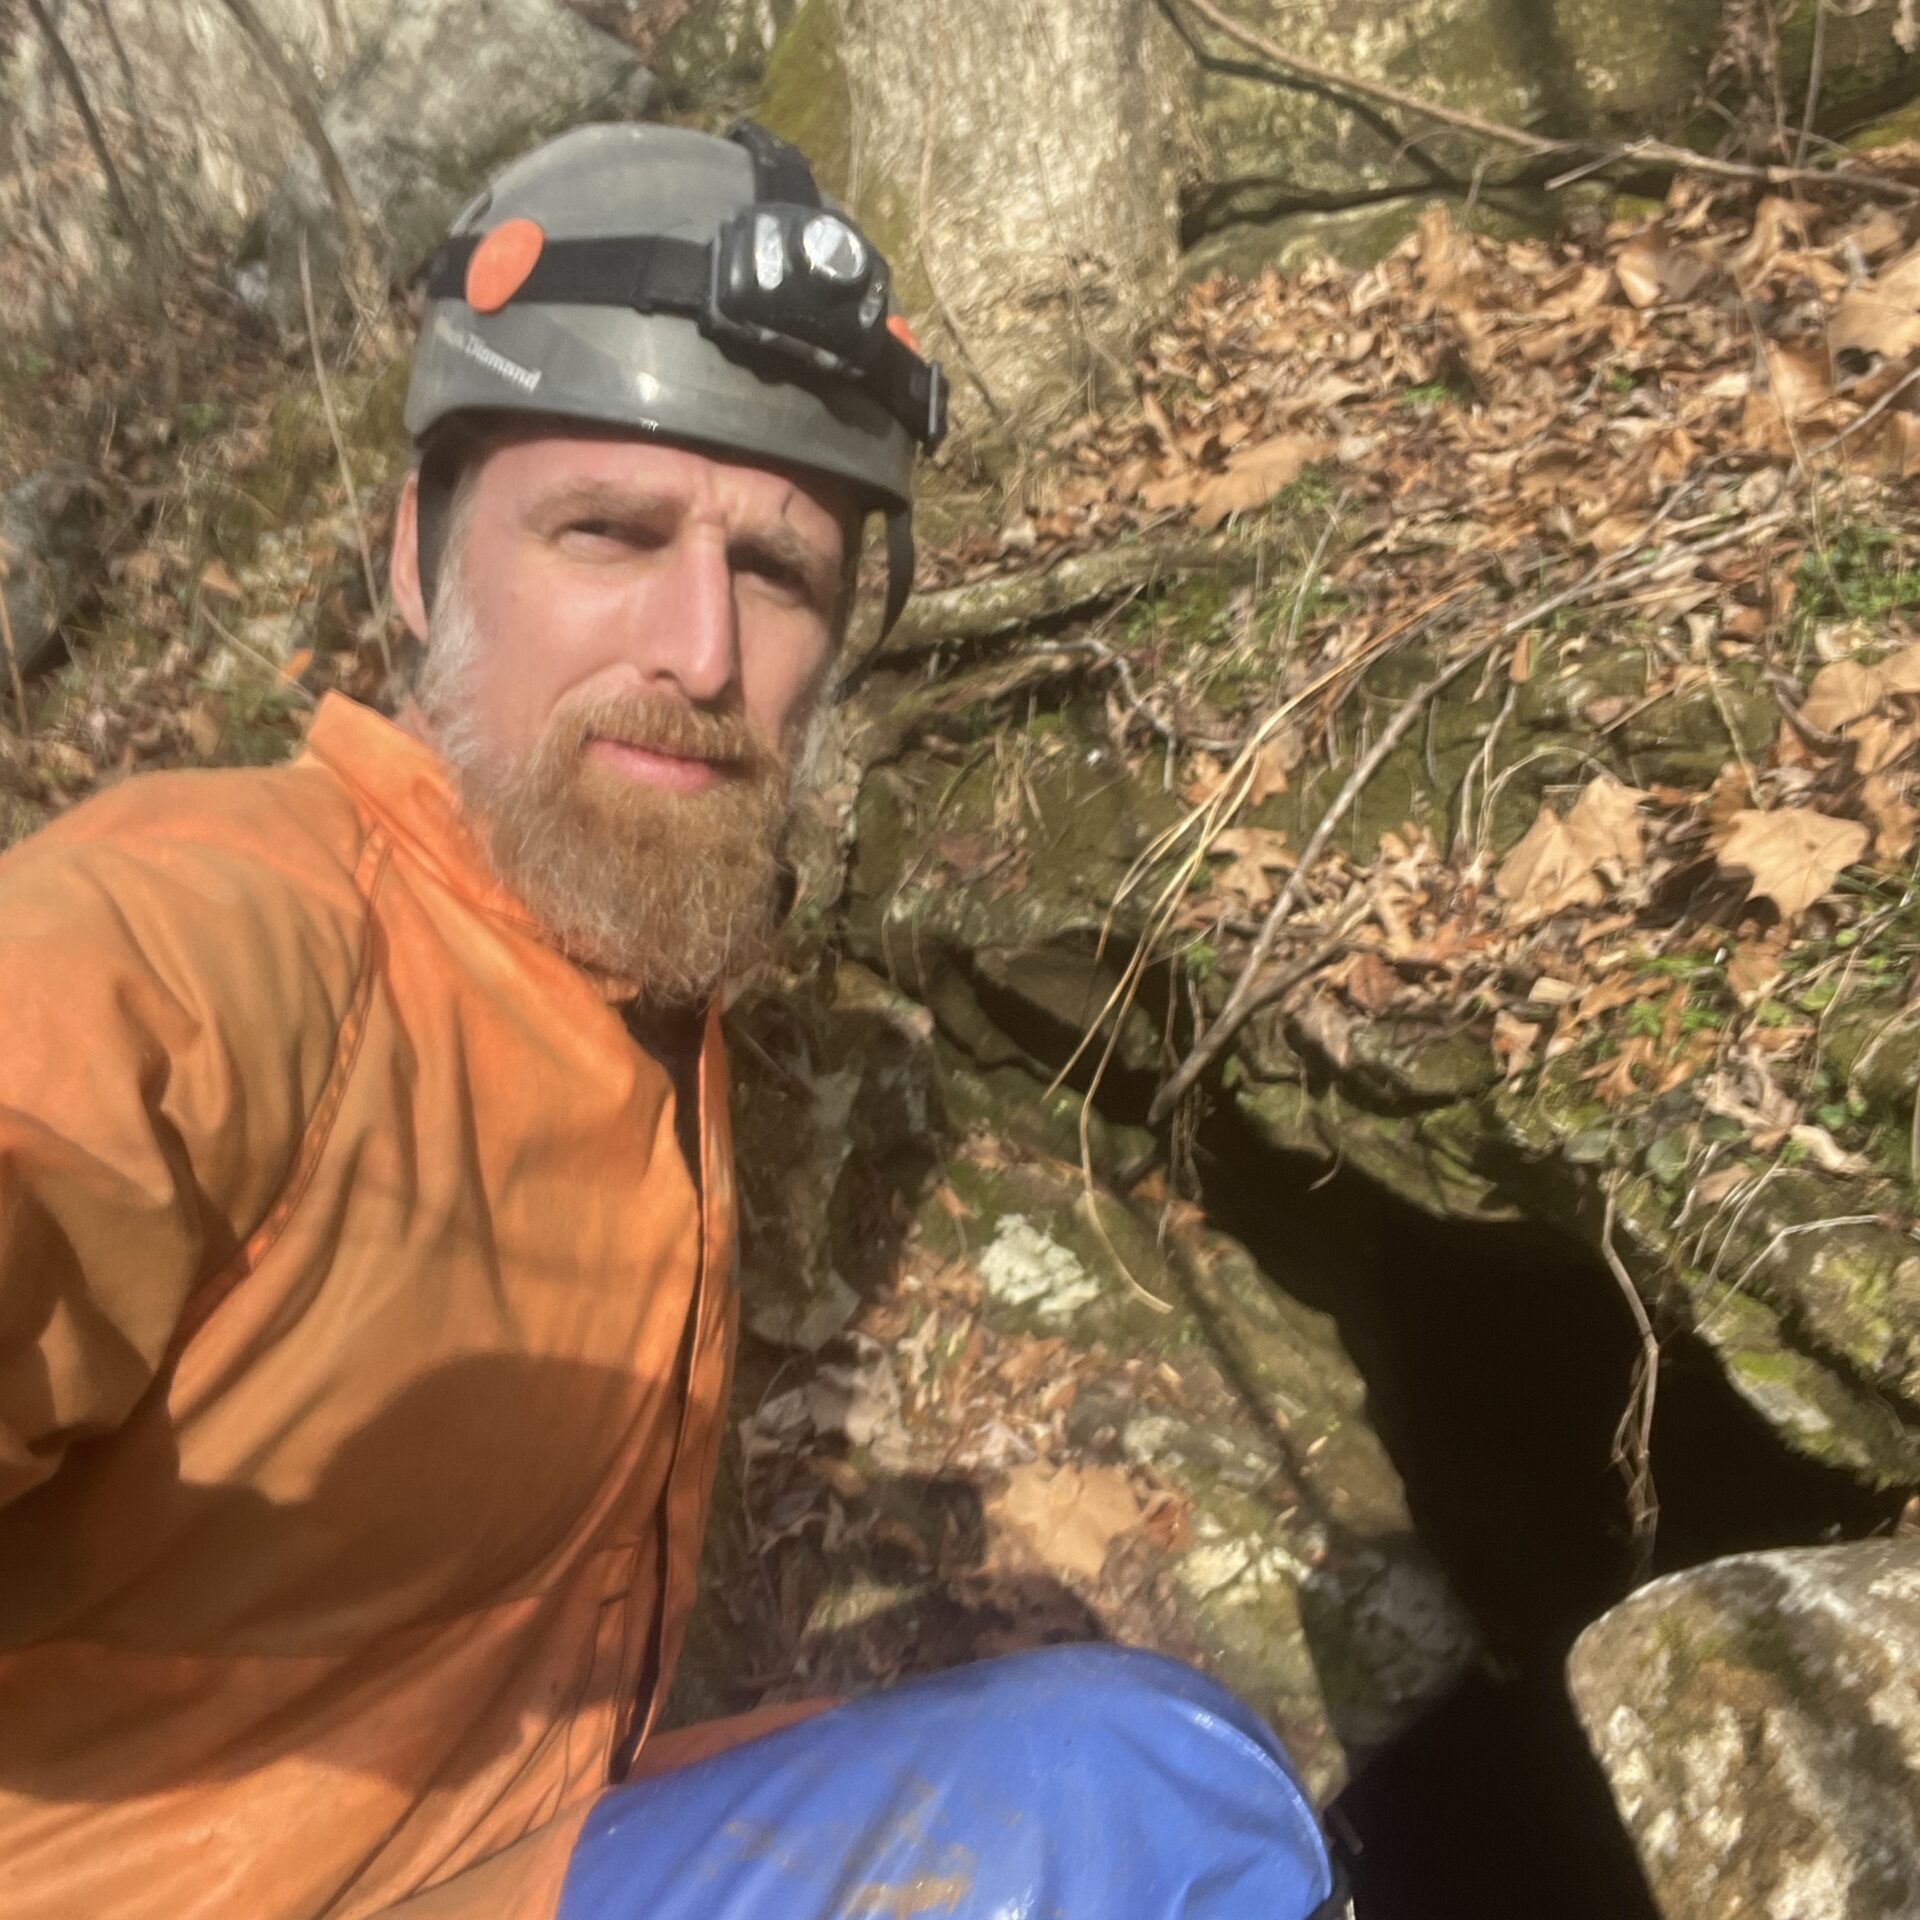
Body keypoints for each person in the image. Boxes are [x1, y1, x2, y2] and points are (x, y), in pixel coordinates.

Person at [0, 122, 1341, 1919]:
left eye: (776, 573)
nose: (699, 651)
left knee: (1168, 1753)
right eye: (606, 532)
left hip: (498, 1842)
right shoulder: (198, 936)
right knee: (1131, 1819)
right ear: (417, 559)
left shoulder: (620, 950)